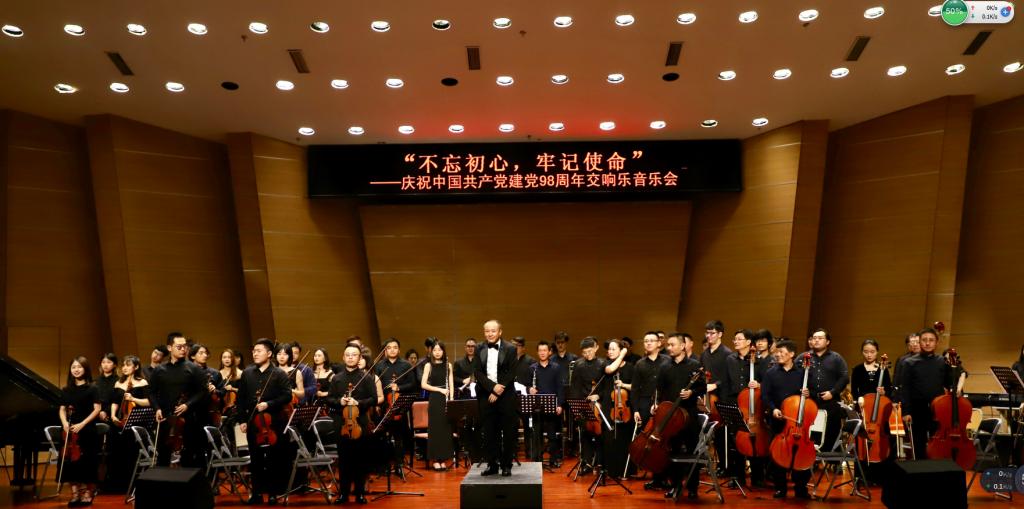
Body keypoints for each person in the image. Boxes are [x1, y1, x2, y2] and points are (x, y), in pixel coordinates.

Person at [237, 338, 294, 505]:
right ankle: (256, 493)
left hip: (274, 423)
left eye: (259, 351)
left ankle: (273, 493)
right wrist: (242, 420)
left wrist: (269, 404)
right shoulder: (247, 373)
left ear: (269, 354)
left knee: (273, 459)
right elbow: (240, 399)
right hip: (253, 423)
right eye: (254, 351)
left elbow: (287, 395)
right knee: (256, 459)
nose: (255, 353)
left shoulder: (279, 373)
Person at [899, 328, 967, 457]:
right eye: (924, 340)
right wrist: (906, 411)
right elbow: (905, 388)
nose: (927, 343)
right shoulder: (909, 363)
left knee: (938, 445)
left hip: (938, 410)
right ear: (919, 342)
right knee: (918, 445)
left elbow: (949, 382)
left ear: (936, 343)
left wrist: (955, 386)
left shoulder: (942, 361)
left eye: (931, 340)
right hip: (917, 409)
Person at [327, 345, 378, 504]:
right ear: (343, 357)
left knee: (360, 459)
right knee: (344, 460)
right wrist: (340, 401)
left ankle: (360, 493)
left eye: (354, 355)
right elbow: (329, 399)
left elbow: (374, 399)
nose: (350, 357)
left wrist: (359, 403)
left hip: (360, 423)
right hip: (341, 423)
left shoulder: (366, 377)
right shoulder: (336, 378)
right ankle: (343, 494)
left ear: (359, 358)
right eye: (347, 354)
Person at [658, 334, 706, 500]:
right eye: (668, 345)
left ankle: (692, 488)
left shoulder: (695, 365)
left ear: (682, 346)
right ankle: (675, 486)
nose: (669, 348)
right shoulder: (664, 367)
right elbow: (660, 390)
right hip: (671, 416)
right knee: (672, 451)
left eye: (672, 345)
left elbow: (703, 388)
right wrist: (656, 405)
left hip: (689, 415)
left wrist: (692, 392)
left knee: (692, 451)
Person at [762, 339, 811, 499]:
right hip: (778, 419)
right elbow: (765, 395)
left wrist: (808, 393)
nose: (778, 355)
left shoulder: (802, 373)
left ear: (791, 354)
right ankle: (780, 488)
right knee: (779, 454)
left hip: (798, 421)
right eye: (777, 352)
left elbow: (812, 395)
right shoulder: (771, 373)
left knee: (800, 454)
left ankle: (801, 488)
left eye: (782, 352)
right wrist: (773, 408)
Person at [149, 333, 207, 467]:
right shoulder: (159, 370)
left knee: (190, 456)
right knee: (163, 456)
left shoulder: (193, 368)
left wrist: (188, 405)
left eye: (184, 347)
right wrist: (156, 408)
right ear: (169, 348)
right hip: (166, 418)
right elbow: (151, 392)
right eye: (179, 347)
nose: (183, 349)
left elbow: (203, 391)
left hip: (188, 418)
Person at [472, 319, 520, 476]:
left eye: (493, 331)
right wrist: (492, 388)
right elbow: (477, 372)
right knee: (489, 432)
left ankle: (506, 465)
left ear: (500, 332)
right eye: (487, 331)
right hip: (486, 395)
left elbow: (512, 372)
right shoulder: (479, 348)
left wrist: (498, 390)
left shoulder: (511, 348)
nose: (490, 334)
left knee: (508, 432)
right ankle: (492, 464)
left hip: (506, 395)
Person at [723, 329, 767, 488]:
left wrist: (759, 385)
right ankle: (737, 477)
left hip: (754, 404)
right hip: (735, 403)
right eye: (734, 339)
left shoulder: (760, 360)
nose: (735, 341)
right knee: (735, 441)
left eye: (739, 339)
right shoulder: (730, 359)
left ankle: (757, 477)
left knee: (755, 440)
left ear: (749, 342)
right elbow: (726, 382)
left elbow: (768, 382)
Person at [58, 357, 102, 506]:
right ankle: (75, 493)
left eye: (79, 367)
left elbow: (97, 409)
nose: (76, 369)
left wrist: (82, 424)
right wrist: (64, 423)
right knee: (70, 463)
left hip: (87, 429)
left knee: (88, 462)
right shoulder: (66, 389)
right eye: (73, 367)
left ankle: (88, 492)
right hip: (70, 431)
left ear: (85, 369)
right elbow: (62, 409)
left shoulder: (93, 388)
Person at [105, 356, 150, 493]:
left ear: (136, 367)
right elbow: (115, 402)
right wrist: (113, 415)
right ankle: (119, 485)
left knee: (132, 453)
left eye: (128, 365)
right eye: (123, 365)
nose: (124, 368)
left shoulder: (142, 382)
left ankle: (135, 485)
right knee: (117, 453)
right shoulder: (118, 383)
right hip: (119, 422)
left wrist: (133, 398)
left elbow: (148, 402)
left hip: (136, 422)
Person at [375, 338, 416, 475]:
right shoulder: (379, 366)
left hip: (399, 406)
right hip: (384, 405)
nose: (392, 350)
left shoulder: (406, 365)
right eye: (389, 347)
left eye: (395, 347)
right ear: (385, 350)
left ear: (399, 349)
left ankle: (399, 464)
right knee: (383, 436)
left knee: (399, 436)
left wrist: (399, 387)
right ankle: (385, 465)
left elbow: (412, 384)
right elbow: (376, 385)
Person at [806, 328, 850, 450]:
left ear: (827, 342)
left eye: (820, 338)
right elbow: (796, 375)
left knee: (830, 432)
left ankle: (829, 459)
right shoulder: (804, 357)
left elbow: (844, 377)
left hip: (830, 402)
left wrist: (833, 392)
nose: (816, 340)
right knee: (810, 431)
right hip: (810, 401)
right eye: (814, 338)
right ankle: (808, 457)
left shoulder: (836, 358)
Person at [701, 320, 732, 473]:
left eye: (712, 333)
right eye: (707, 333)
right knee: (707, 431)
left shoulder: (728, 354)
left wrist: (716, 384)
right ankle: (706, 463)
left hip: (722, 397)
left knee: (721, 433)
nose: (709, 336)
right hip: (707, 398)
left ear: (720, 334)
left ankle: (725, 466)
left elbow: (729, 377)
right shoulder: (705, 354)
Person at [599, 338, 633, 476]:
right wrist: (622, 354)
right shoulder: (606, 363)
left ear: (620, 349)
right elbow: (610, 370)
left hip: (624, 408)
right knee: (609, 439)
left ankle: (625, 471)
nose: (610, 351)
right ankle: (610, 470)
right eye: (609, 349)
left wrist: (624, 385)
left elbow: (636, 386)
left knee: (624, 438)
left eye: (613, 349)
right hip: (609, 406)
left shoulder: (630, 367)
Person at [421, 341, 455, 470]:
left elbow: (451, 384)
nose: (437, 352)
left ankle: (443, 458)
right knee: (435, 430)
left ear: (443, 351)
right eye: (435, 350)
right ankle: (435, 459)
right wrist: (440, 390)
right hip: (435, 399)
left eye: (440, 350)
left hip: (446, 399)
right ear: (431, 352)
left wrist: (451, 399)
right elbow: (423, 385)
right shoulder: (428, 365)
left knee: (445, 430)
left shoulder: (448, 365)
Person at [529, 341, 564, 465]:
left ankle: (553, 459)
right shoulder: (532, 368)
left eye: (545, 350)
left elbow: (560, 387)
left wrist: (559, 404)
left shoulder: (556, 368)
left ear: (549, 352)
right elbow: (526, 385)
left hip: (552, 406)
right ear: (537, 352)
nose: (542, 353)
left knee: (552, 435)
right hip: (537, 406)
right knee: (537, 434)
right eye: (540, 350)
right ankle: (537, 460)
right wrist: (529, 389)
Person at [892, 333, 921, 401]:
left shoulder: (927, 358)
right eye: (912, 342)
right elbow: (896, 380)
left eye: (918, 342)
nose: (915, 344)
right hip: (905, 396)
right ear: (908, 345)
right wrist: (895, 399)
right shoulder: (902, 360)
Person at [94, 353, 118, 424]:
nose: (105, 365)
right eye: (103, 362)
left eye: (109, 362)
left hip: (112, 415)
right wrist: (98, 411)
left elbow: (117, 400)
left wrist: (105, 411)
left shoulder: (119, 381)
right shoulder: (95, 381)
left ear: (114, 365)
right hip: (96, 414)